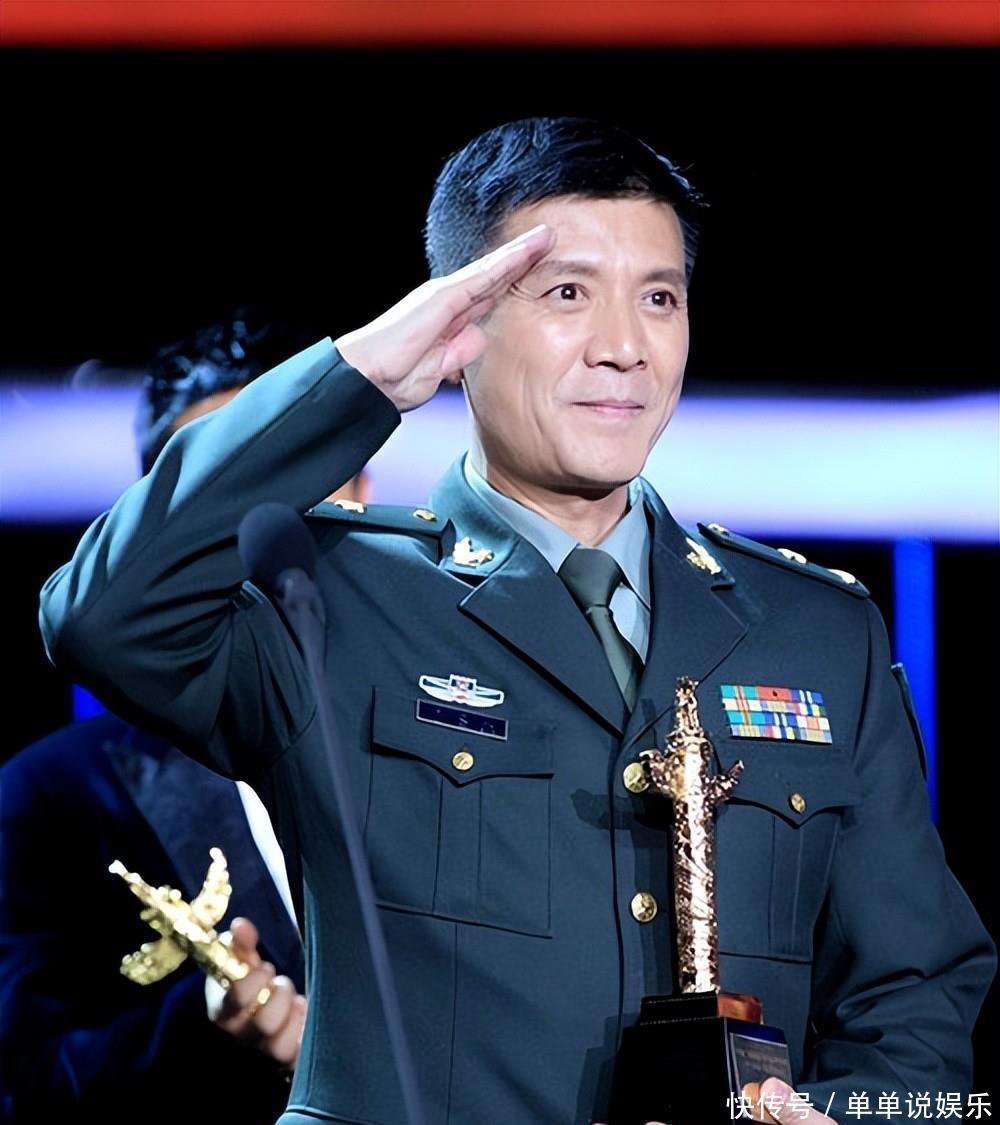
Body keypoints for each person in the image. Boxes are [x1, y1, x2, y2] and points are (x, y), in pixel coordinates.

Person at [38, 118, 994, 1125]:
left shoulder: (816, 631)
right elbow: (102, 615)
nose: (624, 348)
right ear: (459, 326)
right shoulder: (327, 595)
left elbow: (916, 998)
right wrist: (358, 382)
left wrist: (840, 1117)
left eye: (659, 298)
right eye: (568, 294)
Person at [1, 314, 358, 1123]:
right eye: (212, 489)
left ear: (358, 488)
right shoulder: (51, 796)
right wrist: (207, 1023)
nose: (258, 518)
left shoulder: (460, 726)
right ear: (150, 530)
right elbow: (27, 1081)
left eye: (296, 467)